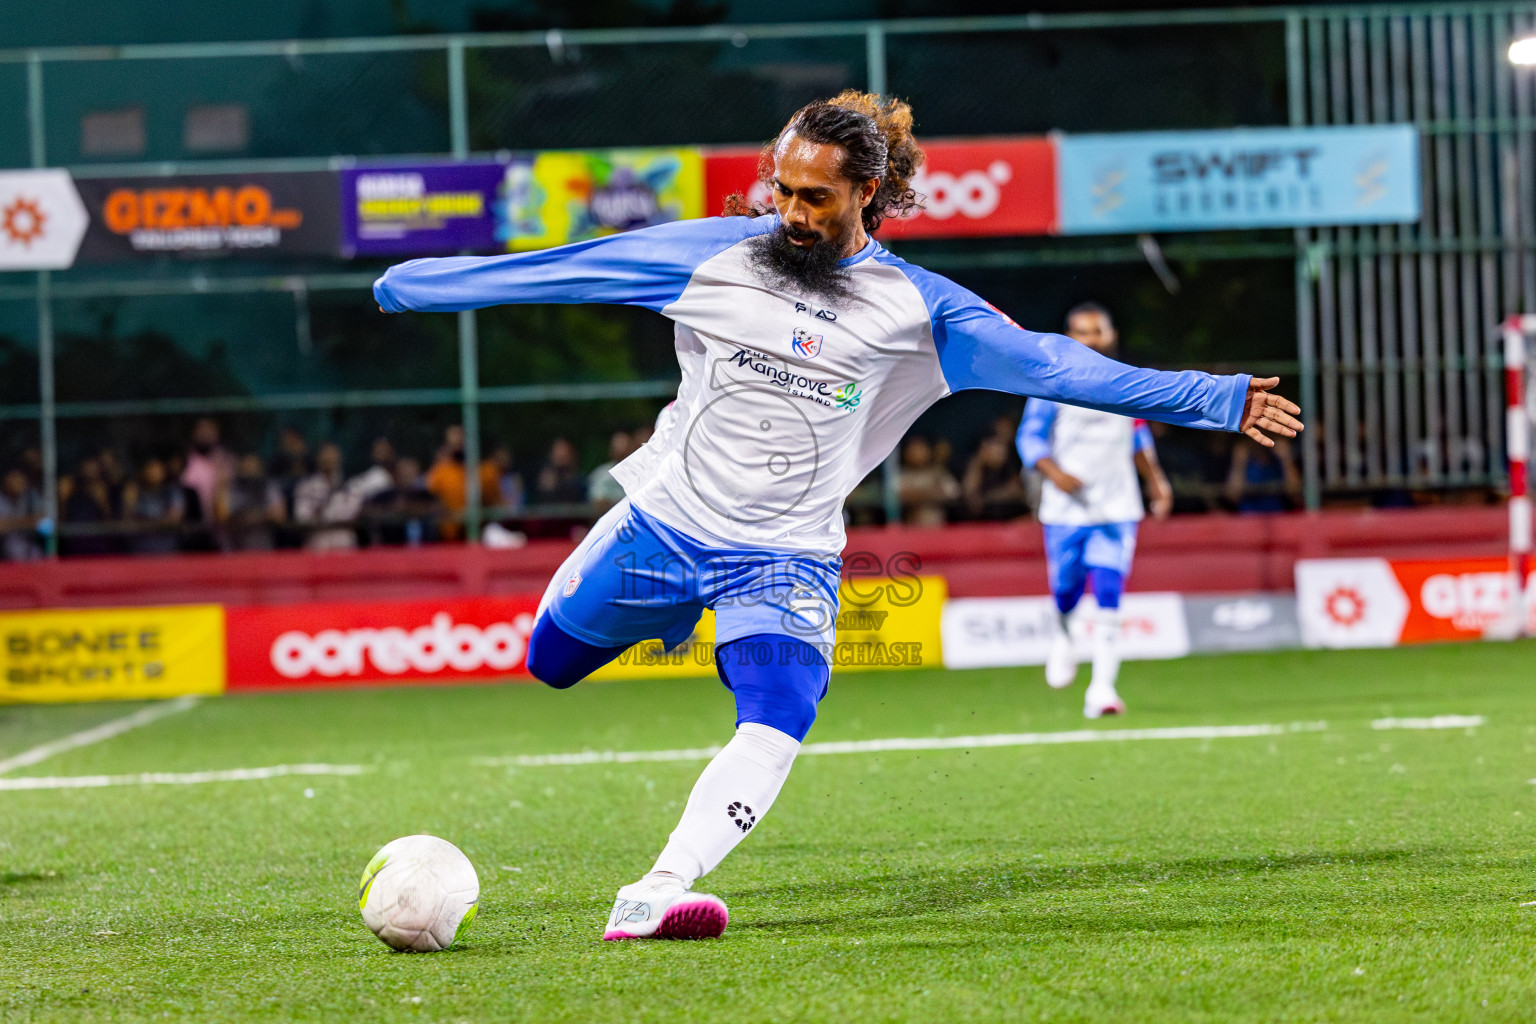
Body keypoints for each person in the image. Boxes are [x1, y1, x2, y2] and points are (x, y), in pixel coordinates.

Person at [374, 90, 1301, 942]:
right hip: (663, 524)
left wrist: (1212, 398)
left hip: (784, 555)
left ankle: (658, 887)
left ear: (870, 192)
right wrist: (417, 284)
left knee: (780, 710)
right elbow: (560, 273)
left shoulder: (920, 313)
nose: (793, 213)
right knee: (552, 663)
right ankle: (666, 618)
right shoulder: (710, 257)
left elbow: (1061, 368)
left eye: (817, 196)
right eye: (784, 190)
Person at [1017, 302, 1175, 718]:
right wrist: (1055, 474)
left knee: (1109, 592)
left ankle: (1102, 689)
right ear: (1070, 337)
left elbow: (1139, 437)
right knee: (1067, 590)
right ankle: (1065, 637)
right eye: (1083, 332)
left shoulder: (1128, 383)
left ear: (1111, 335)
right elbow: (1029, 440)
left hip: (1117, 506)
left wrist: (1157, 482)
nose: (1092, 339)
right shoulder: (1051, 384)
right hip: (1066, 510)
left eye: (1098, 331)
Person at [426, 425, 502, 541]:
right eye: (453, 444)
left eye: (461, 441)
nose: (458, 446)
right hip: (449, 536)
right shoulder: (440, 471)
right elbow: (431, 501)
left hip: (481, 533)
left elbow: (497, 503)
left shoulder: (486, 470)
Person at [293, 442, 360, 551]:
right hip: (317, 546)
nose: (329, 459)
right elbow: (302, 518)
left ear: (339, 458)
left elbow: (350, 515)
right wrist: (319, 513)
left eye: (332, 455)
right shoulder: (305, 486)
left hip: (344, 546)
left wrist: (321, 515)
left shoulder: (351, 485)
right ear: (318, 458)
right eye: (325, 455)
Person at [120, 456, 185, 555]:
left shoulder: (171, 490)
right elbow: (127, 522)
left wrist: (144, 523)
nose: (154, 472)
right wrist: (129, 499)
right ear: (143, 470)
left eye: (157, 468)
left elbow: (173, 520)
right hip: (139, 550)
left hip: (166, 549)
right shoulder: (134, 490)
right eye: (150, 468)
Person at [222, 453, 287, 551]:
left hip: (265, 546)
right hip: (235, 547)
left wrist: (248, 518)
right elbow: (226, 518)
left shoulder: (269, 487)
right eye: (246, 468)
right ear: (240, 469)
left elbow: (279, 516)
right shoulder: (232, 489)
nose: (250, 471)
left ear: (260, 469)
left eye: (253, 467)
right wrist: (265, 515)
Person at [961, 432, 1027, 520]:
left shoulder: (1010, 465)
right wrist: (978, 462)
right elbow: (970, 498)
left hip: (1009, 521)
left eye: (1003, 446)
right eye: (996, 445)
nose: (1001, 450)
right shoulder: (976, 464)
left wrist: (988, 497)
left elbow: (1015, 491)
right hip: (982, 523)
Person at [896, 435, 959, 526]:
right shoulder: (902, 474)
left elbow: (954, 493)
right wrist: (931, 492)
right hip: (910, 528)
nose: (916, 452)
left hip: (938, 528)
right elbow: (895, 495)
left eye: (920, 448)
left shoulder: (938, 472)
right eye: (912, 448)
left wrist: (917, 494)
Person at [0, 466, 43, 561]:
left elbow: (44, 522)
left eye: (22, 479)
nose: (19, 483)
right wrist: (24, 522)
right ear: (6, 480)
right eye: (15, 479)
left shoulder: (30, 497)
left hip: (30, 554)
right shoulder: (2, 500)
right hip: (5, 557)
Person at [587, 430, 632, 509]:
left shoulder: (640, 472)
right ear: (611, 448)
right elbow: (598, 502)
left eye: (624, 444)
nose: (622, 448)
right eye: (618, 444)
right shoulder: (600, 474)